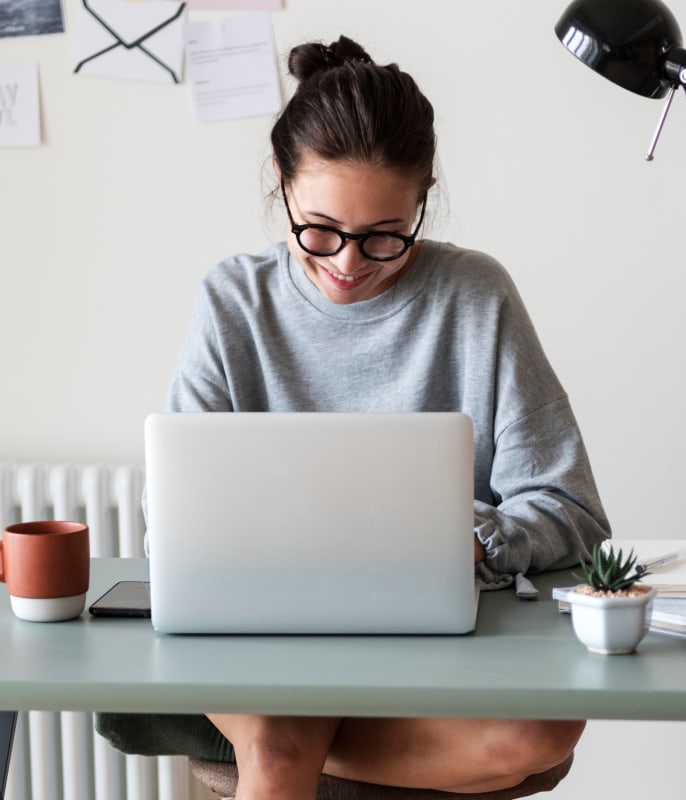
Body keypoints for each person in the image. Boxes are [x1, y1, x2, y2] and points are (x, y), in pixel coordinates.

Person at [165, 35, 611, 799]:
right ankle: (283, 747)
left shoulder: (476, 296)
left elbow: (571, 510)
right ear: (281, 182)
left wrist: (472, 539)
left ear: (423, 199)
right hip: (261, 632)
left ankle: (296, 739)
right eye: (320, 230)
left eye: (382, 236)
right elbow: (174, 512)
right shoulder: (233, 301)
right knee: (274, 747)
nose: (346, 262)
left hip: (437, 645)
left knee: (533, 736)